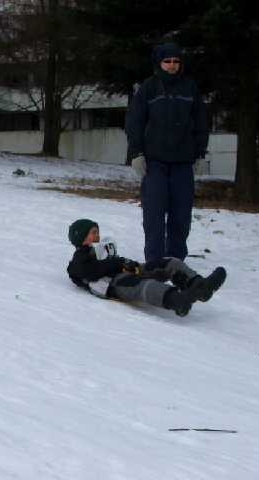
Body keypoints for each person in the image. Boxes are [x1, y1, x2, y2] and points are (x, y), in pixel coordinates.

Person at [125, 42, 209, 263]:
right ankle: (154, 261)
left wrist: (200, 153)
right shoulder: (148, 88)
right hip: (155, 163)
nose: (172, 65)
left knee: (181, 215)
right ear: (159, 63)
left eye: (176, 61)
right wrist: (136, 153)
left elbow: (201, 122)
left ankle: (175, 260)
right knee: (154, 213)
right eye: (167, 61)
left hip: (183, 163)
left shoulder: (190, 88)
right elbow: (135, 122)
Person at [66, 219, 226, 317]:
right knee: (143, 286)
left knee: (168, 263)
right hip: (113, 283)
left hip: (127, 271)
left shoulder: (100, 248)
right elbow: (86, 272)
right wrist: (115, 263)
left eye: (98, 232)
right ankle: (176, 300)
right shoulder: (79, 258)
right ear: (81, 237)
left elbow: (113, 261)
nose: (98, 235)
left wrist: (125, 263)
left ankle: (199, 285)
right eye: (93, 233)